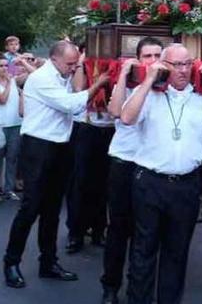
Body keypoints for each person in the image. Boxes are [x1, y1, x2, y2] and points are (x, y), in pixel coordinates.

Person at [119, 44, 202, 304]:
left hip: (186, 185)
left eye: (187, 64)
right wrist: (149, 79)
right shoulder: (149, 95)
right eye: (176, 65)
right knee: (144, 251)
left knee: (177, 253)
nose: (183, 70)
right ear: (164, 65)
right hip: (150, 182)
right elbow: (127, 117)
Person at [3, 41, 110, 289]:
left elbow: (73, 104)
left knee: (52, 210)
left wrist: (81, 73)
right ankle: (11, 262)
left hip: (61, 147)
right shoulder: (42, 78)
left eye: (75, 63)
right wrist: (99, 83)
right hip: (38, 147)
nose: (73, 68)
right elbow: (72, 105)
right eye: (70, 63)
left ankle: (48, 262)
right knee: (30, 209)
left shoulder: (62, 75)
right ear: (54, 59)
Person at [99, 37, 163, 304]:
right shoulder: (130, 83)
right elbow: (115, 112)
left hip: (150, 168)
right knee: (118, 229)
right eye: (147, 56)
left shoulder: (166, 86)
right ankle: (110, 286)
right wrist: (124, 74)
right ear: (138, 59)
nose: (152, 61)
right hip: (124, 164)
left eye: (157, 55)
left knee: (146, 233)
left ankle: (140, 290)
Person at [65, 49, 116, 253]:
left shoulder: (117, 65)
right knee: (80, 183)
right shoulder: (84, 66)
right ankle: (76, 233)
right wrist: (82, 61)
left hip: (111, 129)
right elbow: (78, 90)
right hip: (86, 128)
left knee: (105, 184)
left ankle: (98, 230)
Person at [0, 54, 23, 203]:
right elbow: (1, 99)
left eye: (6, 66)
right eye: (0, 66)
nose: (4, 69)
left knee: (12, 158)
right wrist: (8, 83)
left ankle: (9, 188)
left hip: (15, 124)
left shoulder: (14, 81)